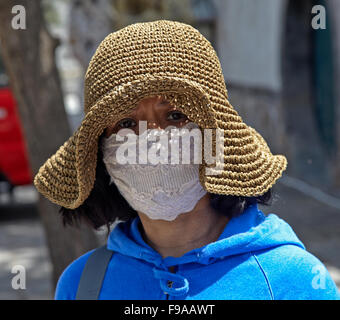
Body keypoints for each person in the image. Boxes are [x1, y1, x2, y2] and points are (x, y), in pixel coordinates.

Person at [34, 20, 340, 300]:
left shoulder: (293, 280)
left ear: (217, 138)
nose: (152, 139)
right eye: (126, 124)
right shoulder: (82, 285)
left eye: (176, 116)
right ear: (101, 154)